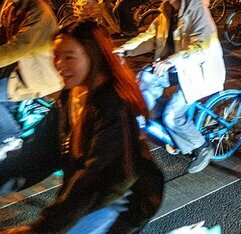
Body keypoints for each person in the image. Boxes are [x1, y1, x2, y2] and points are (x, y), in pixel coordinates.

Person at [0, 20, 164, 233]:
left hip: (115, 205)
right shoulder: (71, 95)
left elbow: (96, 179)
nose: (59, 65)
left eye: (69, 57)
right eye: (56, 56)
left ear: (92, 54)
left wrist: (43, 229)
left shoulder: (114, 105)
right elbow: (40, 155)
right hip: (83, 199)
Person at [115, 0, 225, 174]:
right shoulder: (167, 10)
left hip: (199, 71)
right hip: (176, 66)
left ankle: (201, 147)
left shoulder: (197, 11)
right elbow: (150, 36)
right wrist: (123, 50)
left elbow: (203, 47)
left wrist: (171, 61)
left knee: (172, 116)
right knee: (143, 84)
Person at [0, 0, 63, 159]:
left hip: (38, 73)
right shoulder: (10, 6)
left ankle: (10, 136)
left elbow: (18, 47)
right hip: (18, 69)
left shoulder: (38, 12)